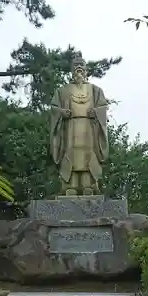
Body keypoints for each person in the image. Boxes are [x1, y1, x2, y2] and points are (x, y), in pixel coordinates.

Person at [50, 53, 109, 196]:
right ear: (71, 70)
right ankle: (71, 185)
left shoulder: (95, 90)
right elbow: (54, 108)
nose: (79, 69)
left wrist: (96, 112)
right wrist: (62, 112)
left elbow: (103, 107)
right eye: (76, 66)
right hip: (70, 128)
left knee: (89, 155)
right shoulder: (63, 91)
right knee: (71, 155)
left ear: (86, 70)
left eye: (82, 66)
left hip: (90, 129)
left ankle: (89, 185)